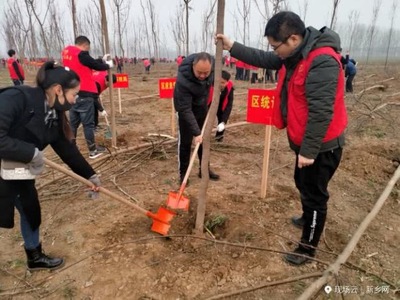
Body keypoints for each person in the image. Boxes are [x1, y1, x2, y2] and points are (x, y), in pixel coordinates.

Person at [216, 11, 347, 265]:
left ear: (294, 39)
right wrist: (232, 46)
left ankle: (307, 248)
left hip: (321, 146)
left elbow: (321, 111)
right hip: (305, 142)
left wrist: (308, 151)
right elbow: (263, 58)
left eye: (276, 46)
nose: (274, 51)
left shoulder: (322, 61)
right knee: (301, 182)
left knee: (315, 195)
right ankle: (306, 216)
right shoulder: (293, 55)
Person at [0, 61, 101, 271]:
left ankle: (34, 257)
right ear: (58, 90)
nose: (76, 100)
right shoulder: (17, 98)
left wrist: (89, 175)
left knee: (30, 208)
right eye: (74, 94)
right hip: (5, 164)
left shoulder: (53, 113)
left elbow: (66, 149)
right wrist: (30, 152)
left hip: (16, 169)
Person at [61, 35, 113, 159]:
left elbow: (89, 62)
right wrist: (107, 65)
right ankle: (93, 151)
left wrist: (101, 59)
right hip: (85, 92)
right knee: (88, 125)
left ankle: (72, 148)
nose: (87, 50)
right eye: (88, 48)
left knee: (73, 124)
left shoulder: (67, 52)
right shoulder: (82, 54)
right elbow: (95, 66)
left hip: (72, 94)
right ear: (85, 45)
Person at [174, 52, 220, 185]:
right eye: (199, 72)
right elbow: (185, 109)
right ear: (193, 66)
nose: (202, 76)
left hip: (201, 106)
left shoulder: (213, 68)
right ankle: (183, 174)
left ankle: (204, 169)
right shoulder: (183, 80)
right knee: (185, 143)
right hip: (185, 110)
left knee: (204, 141)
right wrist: (196, 132)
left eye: (206, 73)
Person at [207, 70, 234, 142]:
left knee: (221, 120)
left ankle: (219, 138)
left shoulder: (229, 88)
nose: (220, 84)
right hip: (209, 103)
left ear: (227, 82)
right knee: (204, 119)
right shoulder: (209, 84)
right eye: (218, 82)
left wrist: (223, 122)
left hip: (221, 105)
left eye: (223, 83)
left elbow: (229, 105)